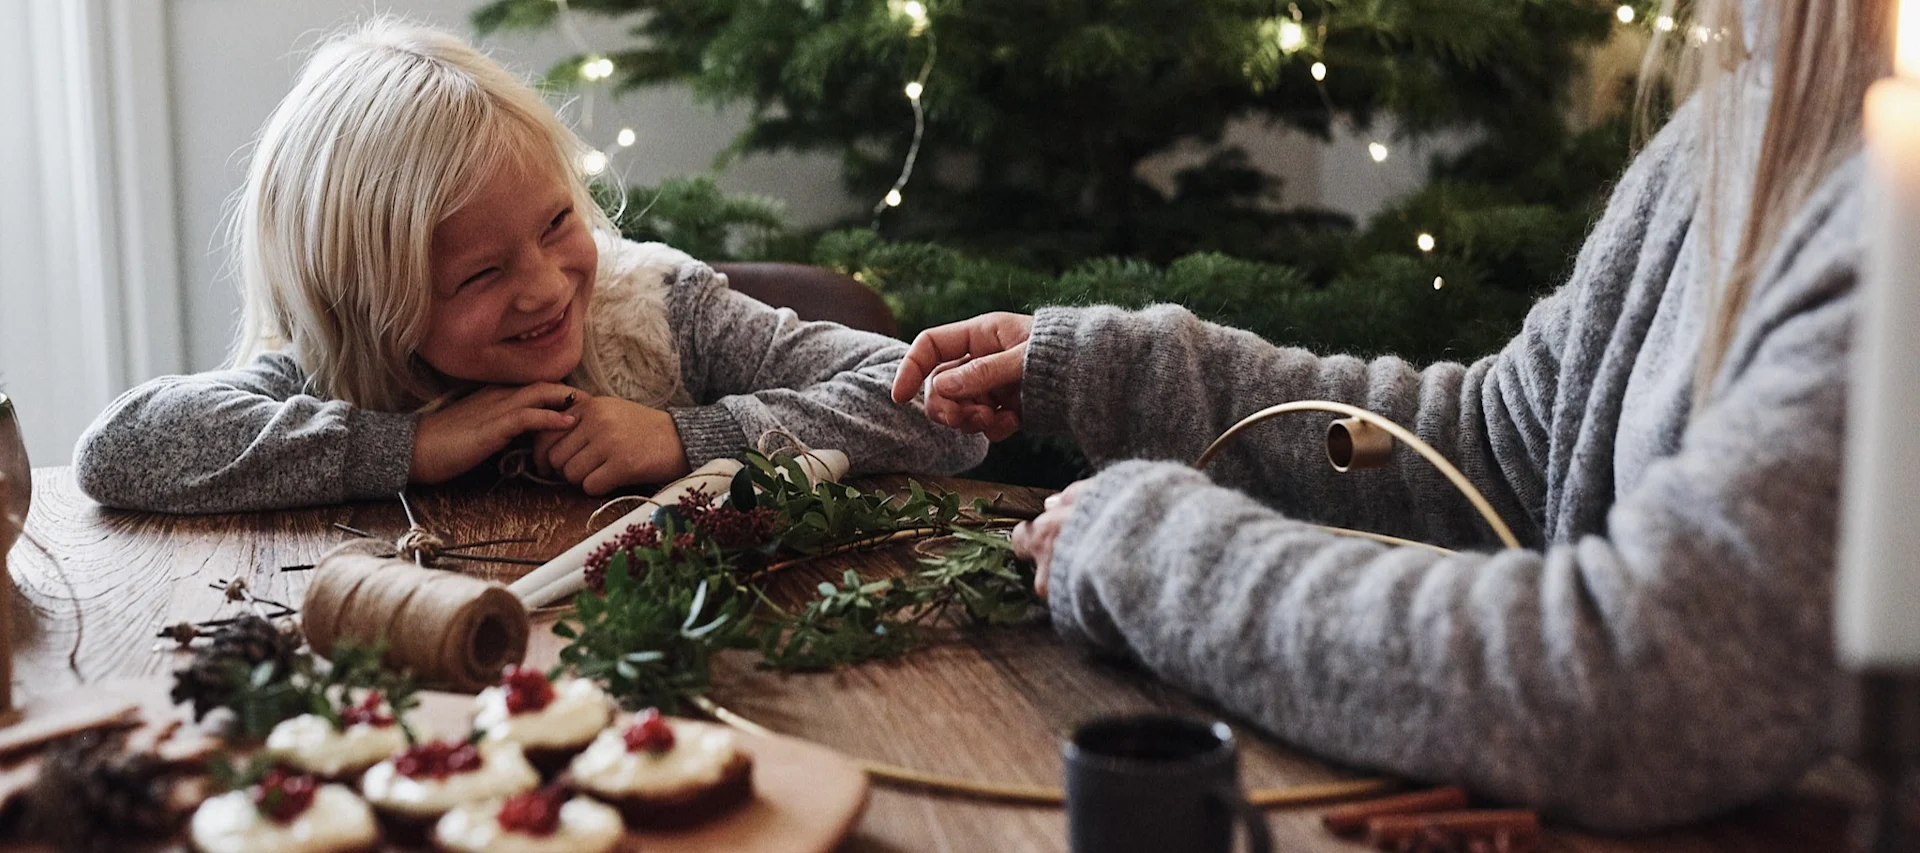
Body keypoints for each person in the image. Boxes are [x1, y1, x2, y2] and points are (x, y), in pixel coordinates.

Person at [892, 0, 1888, 831]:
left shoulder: (1889, 195)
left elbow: (1643, 675)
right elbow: (1498, 448)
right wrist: (1140, 375)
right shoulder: (1743, 113)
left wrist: (1156, 551)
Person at [73, 19, 984, 514]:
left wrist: (683, 439)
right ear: (371, 307)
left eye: (556, 222)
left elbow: (947, 412)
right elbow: (120, 450)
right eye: (477, 276)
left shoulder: (660, 313)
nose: (547, 286)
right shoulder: (347, 371)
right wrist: (412, 446)